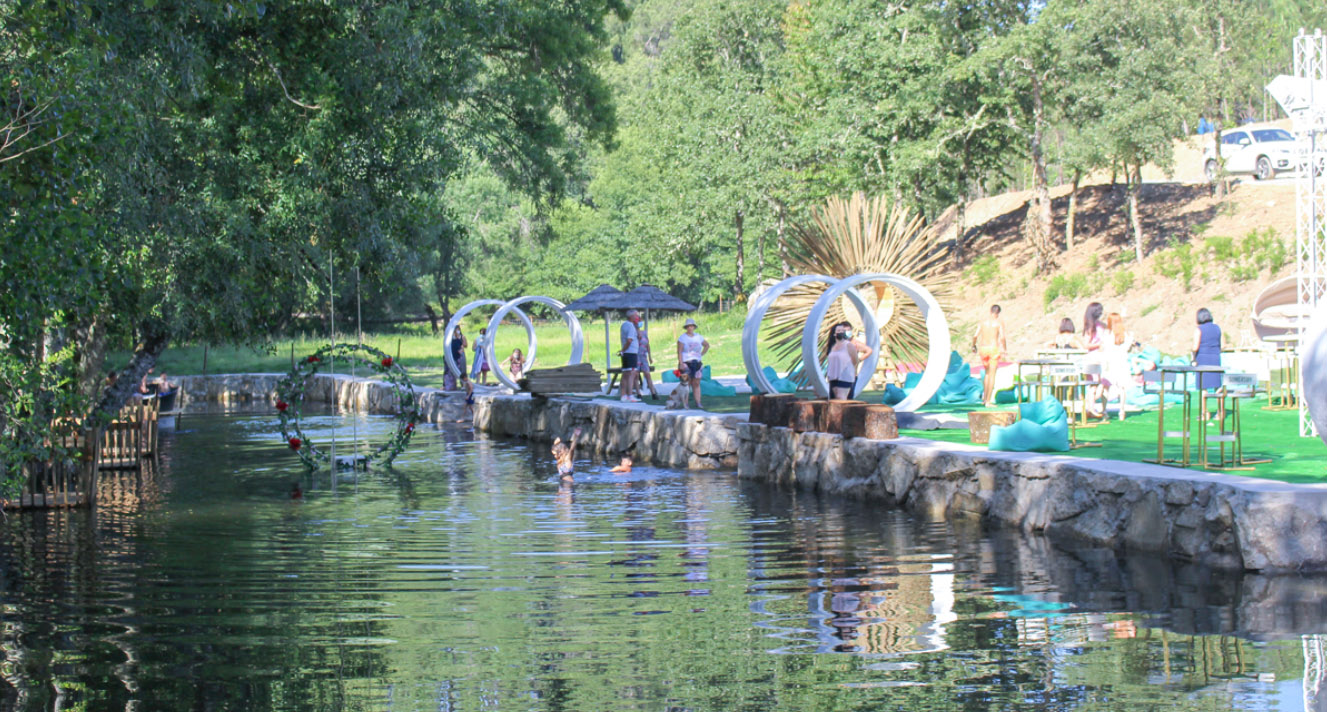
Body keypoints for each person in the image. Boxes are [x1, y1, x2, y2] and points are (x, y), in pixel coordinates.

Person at [971, 305, 1006, 406]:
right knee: (992, 375)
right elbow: (1002, 337)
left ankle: (984, 399)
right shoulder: (999, 323)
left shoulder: (983, 322)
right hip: (993, 348)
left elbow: (975, 336)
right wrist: (1004, 348)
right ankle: (988, 401)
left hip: (983, 348)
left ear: (990, 311)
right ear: (998, 313)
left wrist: (973, 346)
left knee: (986, 374)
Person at [825, 323, 869, 399]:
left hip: (846, 377)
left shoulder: (851, 344)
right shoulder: (833, 345)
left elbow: (856, 360)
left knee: (842, 401)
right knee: (834, 401)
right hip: (834, 377)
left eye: (848, 330)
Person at [1082, 302, 1110, 416]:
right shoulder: (1090, 327)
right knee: (1093, 384)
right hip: (1093, 358)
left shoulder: (1100, 325)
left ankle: (1097, 408)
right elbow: (1086, 345)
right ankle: (1091, 408)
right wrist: (1099, 345)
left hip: (1101, 357)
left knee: (1101, 383)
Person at [676, 317, 710, 409]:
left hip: (697, 361)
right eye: (688, 326)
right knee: (687, 383)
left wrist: (701, 354)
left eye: (691, 326)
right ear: (686, 327)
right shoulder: (682, 338)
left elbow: (706, 345)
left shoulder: (698, 337)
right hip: (686, 361)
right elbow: (679, 351)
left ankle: (698, 402)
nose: (690, 328)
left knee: (697, 383)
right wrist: (681, 363)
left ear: (694, 327)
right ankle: (685, 403)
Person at [1192, 307, 1222, 390]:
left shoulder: (1199, 329)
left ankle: (1203, 403)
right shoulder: (1217, 328)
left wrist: (1193, 358)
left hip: (1203, 359)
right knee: (1217, 385)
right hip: (1215, 357)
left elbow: (1195, 347)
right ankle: (1220, 403)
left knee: (1203, 387)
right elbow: (1221, 345)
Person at [619, 310, 643, 403]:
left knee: (625, 374)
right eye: (636, 316)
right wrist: (623, 349)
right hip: (631, 352)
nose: (638, 317)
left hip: (627, 353)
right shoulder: (630, 326)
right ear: (632, 316)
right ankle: (630, 395)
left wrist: (638, 327)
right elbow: (629, 340)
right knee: (631, 374)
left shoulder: (625, 325)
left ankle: (623, 395)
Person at [634, 323, 660, 401]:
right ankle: (638, 393)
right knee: (636, 375)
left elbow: (647, 345)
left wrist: (650, 356)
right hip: (636, 356)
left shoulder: (644, 333)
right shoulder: (633, 334)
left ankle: (653, 393)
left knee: (647, 374)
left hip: (643, 356)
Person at [448, 326, 467, 391]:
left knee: (462, 369)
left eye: (458, 330)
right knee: (453, 369)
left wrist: (461, 347)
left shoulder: (461, 337)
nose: (457, 331)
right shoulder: (451, 338)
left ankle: (463, 384)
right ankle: (453, 385)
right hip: (454, 355)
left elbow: (464, 346)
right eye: (456, 330)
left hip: (460, 355)